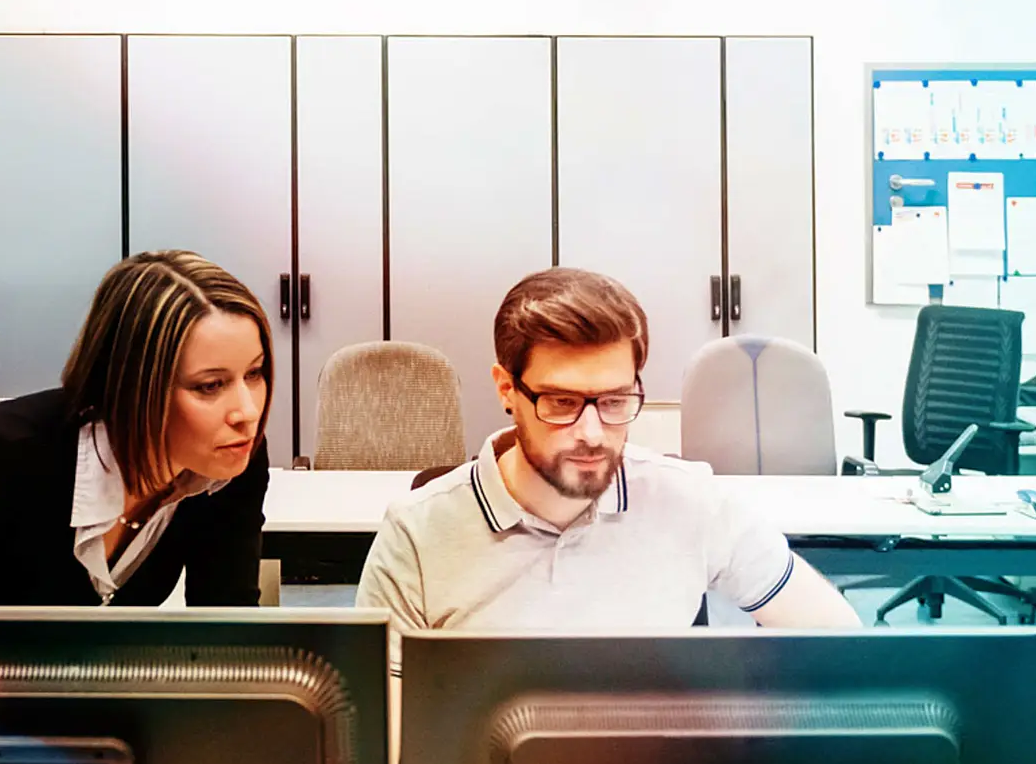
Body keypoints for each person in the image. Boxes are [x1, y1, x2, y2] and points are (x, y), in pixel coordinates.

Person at [357, 267, 859, 633]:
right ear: (507, 390)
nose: (593, 433)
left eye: (616, 401)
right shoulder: (417, 534)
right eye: (562, 402)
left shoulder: (692, 502)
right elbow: (376, 735)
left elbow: (837, 640)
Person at [0, 250, 272, 606]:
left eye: (254, 373)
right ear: (134, 386)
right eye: (211, 385)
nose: (246, 411)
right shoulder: (7, 453)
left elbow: (227, 629)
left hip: (39, 690)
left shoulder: (230, 460)